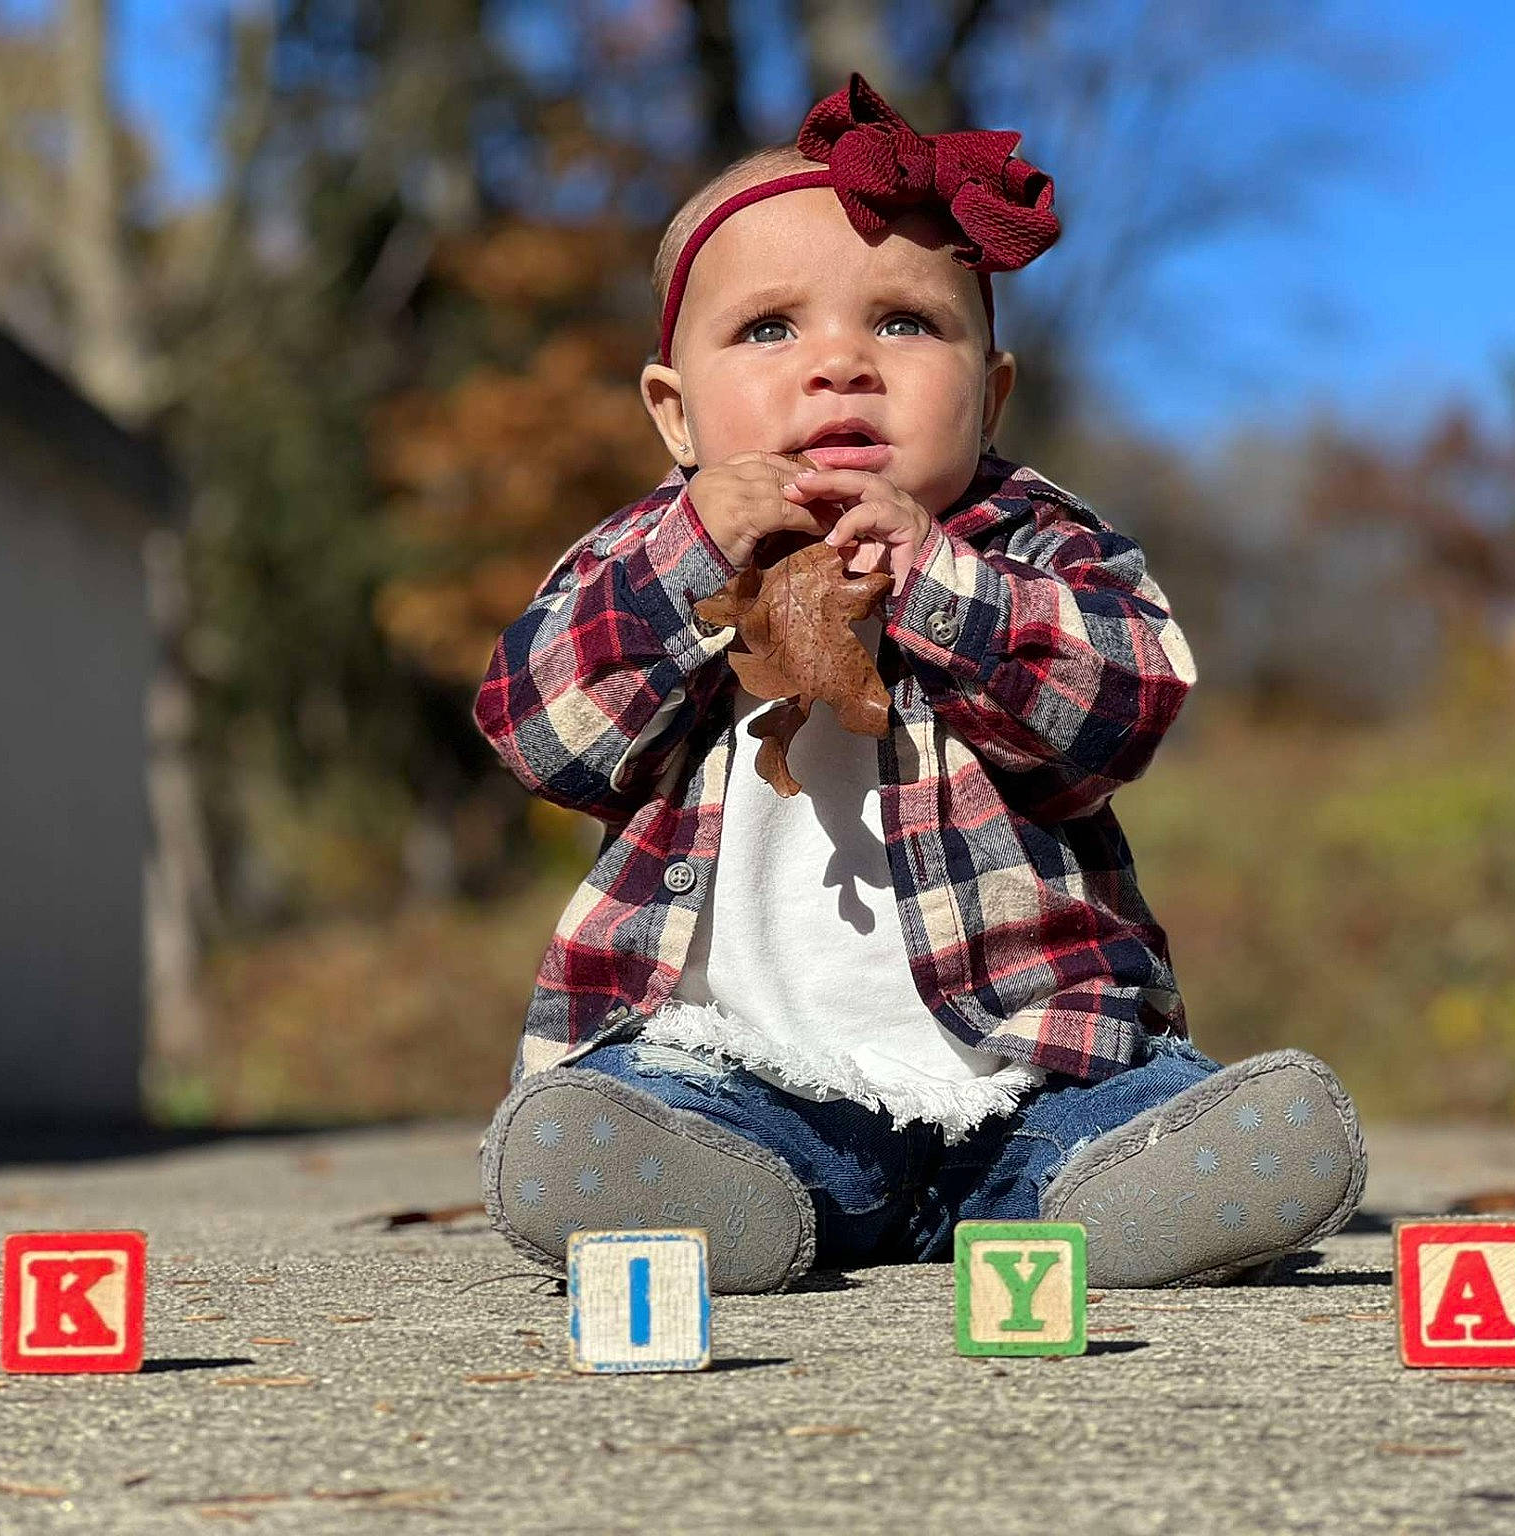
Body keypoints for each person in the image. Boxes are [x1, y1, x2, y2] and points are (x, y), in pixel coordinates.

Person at [473, 73, 1364, 1292]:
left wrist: (940, 586)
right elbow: (538, 733)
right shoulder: (646, 557)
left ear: (989, 394)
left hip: (1023, 1066)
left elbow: (1119, 708)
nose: (839, 364)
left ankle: (1133, 1187)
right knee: (643, 1108)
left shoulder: (1029, 544)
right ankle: (690, 1195)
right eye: (768, 329)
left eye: (903, 322)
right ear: (674, 416)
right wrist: (689, 563)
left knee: (1116, 1110)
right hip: (738, 1069)